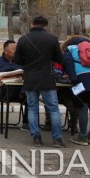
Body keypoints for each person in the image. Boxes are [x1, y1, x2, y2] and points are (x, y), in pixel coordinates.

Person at [14, 15, 66, 148]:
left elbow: (18, 60)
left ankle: (36, 138)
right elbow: (59, 59)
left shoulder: (23, 39)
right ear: (46, 26)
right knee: (53, 109)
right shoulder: (52, 39)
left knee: (32, 108)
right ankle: (57, 139)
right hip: (47, 78)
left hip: (30, 78)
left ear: (32, 24)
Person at [61, 35, 90, 146]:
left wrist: (72, 78)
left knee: (83, 107)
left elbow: (68, 63)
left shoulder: (70, 48)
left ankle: (82, 136)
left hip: (82, 78)